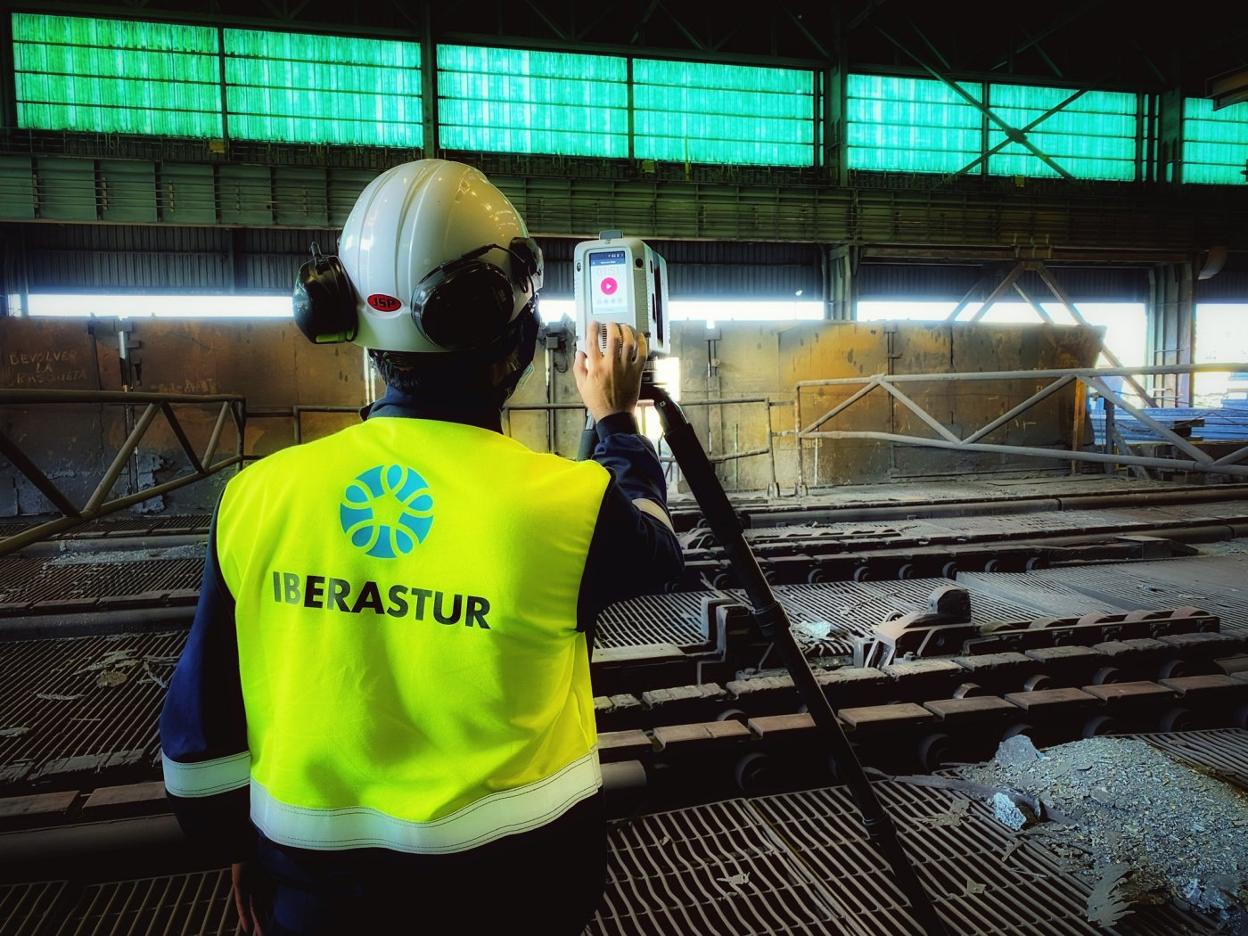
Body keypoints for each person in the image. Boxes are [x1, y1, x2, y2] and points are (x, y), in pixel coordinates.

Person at [159, 160, 683, 935]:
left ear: (345, 323)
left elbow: (199, 751)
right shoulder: (567, 503)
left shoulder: (257, 495)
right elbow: (658, 545)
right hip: (524, 890)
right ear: (520, 341)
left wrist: (247, 845)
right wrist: (612, 420)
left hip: (313, 897)